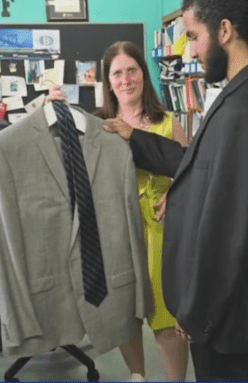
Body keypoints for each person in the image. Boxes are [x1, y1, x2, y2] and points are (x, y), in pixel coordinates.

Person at [102, 0, 248, 382]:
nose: (189, 48)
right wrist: (133, 137)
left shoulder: (247, 111)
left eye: (193, 35)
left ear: (224, 30)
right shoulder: (240, 92)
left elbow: (232, 234)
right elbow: (197, 163)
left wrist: (197, 314)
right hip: (224, 306)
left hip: (223, 313)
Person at [47, 41, 189, 381]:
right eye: (117, 73)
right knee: (126, 311)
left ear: (143, 74)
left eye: (132, 70)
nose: (125, 79)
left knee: (165, 316)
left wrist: (177, 191)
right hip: (114, 229)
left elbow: (190, 170)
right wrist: (51, 109)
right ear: (108, 82)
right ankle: (137, 375)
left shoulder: (168, 122)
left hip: (159, 228)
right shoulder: (96, 125)